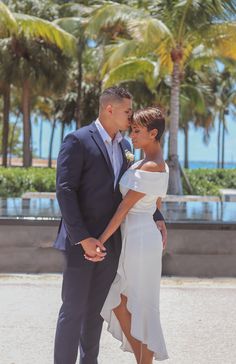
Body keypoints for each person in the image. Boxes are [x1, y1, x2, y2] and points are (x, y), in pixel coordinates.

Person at [53, 86, 167, 364]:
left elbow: (134, 193)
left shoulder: (128, 147)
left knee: (97, 311)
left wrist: (157, 217)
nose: (131, 118)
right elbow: (65, 191)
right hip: (82, 243)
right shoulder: (77, 140)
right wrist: (84, 239)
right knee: (73, 310)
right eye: (128, 111)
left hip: (114, 243)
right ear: (109, 109)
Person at [87, 107, 169, 363]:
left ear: (153, 133)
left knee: (141, 303)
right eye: (131, 129)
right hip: (134, 236)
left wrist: (99, 241)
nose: (131, 135)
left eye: (137, 131)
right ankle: (141, 359)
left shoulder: (154, 166)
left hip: (141, 239)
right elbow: (156, 204)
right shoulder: (141, 162)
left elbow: (124, 208)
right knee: (118, 300)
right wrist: (159, 218)